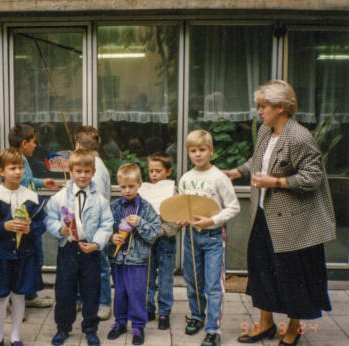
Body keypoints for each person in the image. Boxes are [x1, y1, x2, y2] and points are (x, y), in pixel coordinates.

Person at [224, 80, 335, 346]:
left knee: (292, 275)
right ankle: (265, 324)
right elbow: (257, 159)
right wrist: (236, 172)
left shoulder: (299, 138)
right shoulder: (266, 130)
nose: (259, 112)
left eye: (264, 106)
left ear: (281, 108)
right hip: (265, 214)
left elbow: (312, 178)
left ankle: (293, 328)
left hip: (295, 222)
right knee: (262, 270)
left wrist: (274, 182)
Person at [0, 148, 46, 346]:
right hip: (0, 255)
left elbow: (42, 224)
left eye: (20, 167)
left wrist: (30, 228)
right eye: (12, 167)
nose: (17, 172)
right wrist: (3, 226)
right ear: (1, 171)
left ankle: (15, 335)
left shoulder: (31, 197)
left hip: (24, 255)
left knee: (19, 295)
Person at [45, 149, 113, 346]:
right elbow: (49, 218)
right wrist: (60, 229)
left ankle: (91, 328)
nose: (82, 176)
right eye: (78, 171)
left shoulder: (100, 200)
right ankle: (63, 328)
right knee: (65, 290)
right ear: (70, 171)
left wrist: (97, 243)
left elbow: (107, 224)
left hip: (89, 250)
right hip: (68, 248)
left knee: (91, 290)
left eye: (86, 171)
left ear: (93, 172)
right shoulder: (59, 198)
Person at [178, 130, 240, 346]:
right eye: (193, 150)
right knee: (193, 281)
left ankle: (213, 330)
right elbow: (183, 206)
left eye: (202, 150)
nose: (197, 154)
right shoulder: (186, 178)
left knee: (213, 286)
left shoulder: (219, 178)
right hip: (192, 237)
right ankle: (197, 316)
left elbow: (234, 207)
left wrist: (212, 221)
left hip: (214, 237)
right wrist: (183, 218)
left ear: (211, 151)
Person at [0, 124, 57, 308]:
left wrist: (42, 182)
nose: (35, 146)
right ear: (24, 143)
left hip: (30, 220)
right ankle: (14, 300)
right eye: (33, 142)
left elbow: (27, 181)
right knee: (23, 260)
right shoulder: (12, 163)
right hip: (18, 221)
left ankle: (29, 296)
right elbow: (0, 187)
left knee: (35, 257)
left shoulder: (25, 161)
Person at [107, 163, 160, 345]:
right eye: (123, 187)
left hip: (138, 260)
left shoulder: (146, 208)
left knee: (137, 292)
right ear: (118, 185)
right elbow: (105, 229)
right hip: (118, 259)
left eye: (131, 186)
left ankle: (138, 326)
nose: (127, 190)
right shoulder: (113, 206)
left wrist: (140, 223)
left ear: (140, 184)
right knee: (120, 292)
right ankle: (120, 322)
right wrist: (112, 237)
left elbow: (155, 233)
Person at [75, 126, 112, 320]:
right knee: (83, 263)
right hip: (85, 225)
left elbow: (95, 201)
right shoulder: (95, 163)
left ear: (78, 145)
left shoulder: (95, 169)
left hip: (96, 226)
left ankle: (105, 302)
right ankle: (80, 298)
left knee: (100, 265)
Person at [141, 152, 180, 330]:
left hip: (165, 239)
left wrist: (161, 231)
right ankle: (148, 308)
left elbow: (176, 218)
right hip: (147, 240)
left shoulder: (172, 191)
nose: (154, 175)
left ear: (168, 172)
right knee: (147, 275)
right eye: (151, 171)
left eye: (158, 171)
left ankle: (164, 312)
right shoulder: (144, 189)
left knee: (165, 277)